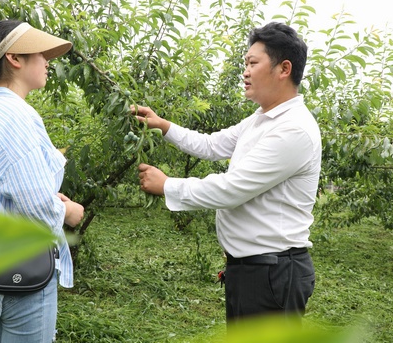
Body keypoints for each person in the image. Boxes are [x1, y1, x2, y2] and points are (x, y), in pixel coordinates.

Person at [134, 22, 321, 324]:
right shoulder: (261, 119)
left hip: (272, 274)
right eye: (245, 63)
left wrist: (168, 186)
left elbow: (232, 189)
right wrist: (164, 125)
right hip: (252, 269)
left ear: (284, 68)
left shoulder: (293, 129)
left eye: (253, 63)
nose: (245, 72)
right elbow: (211, 144)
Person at [0, 19, 84, 342]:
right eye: (41, 53)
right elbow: (37, 208)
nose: (47, 61)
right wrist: (70, 213)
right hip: (25, 280)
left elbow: (2, 195)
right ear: (15, 58)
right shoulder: (16, 117)